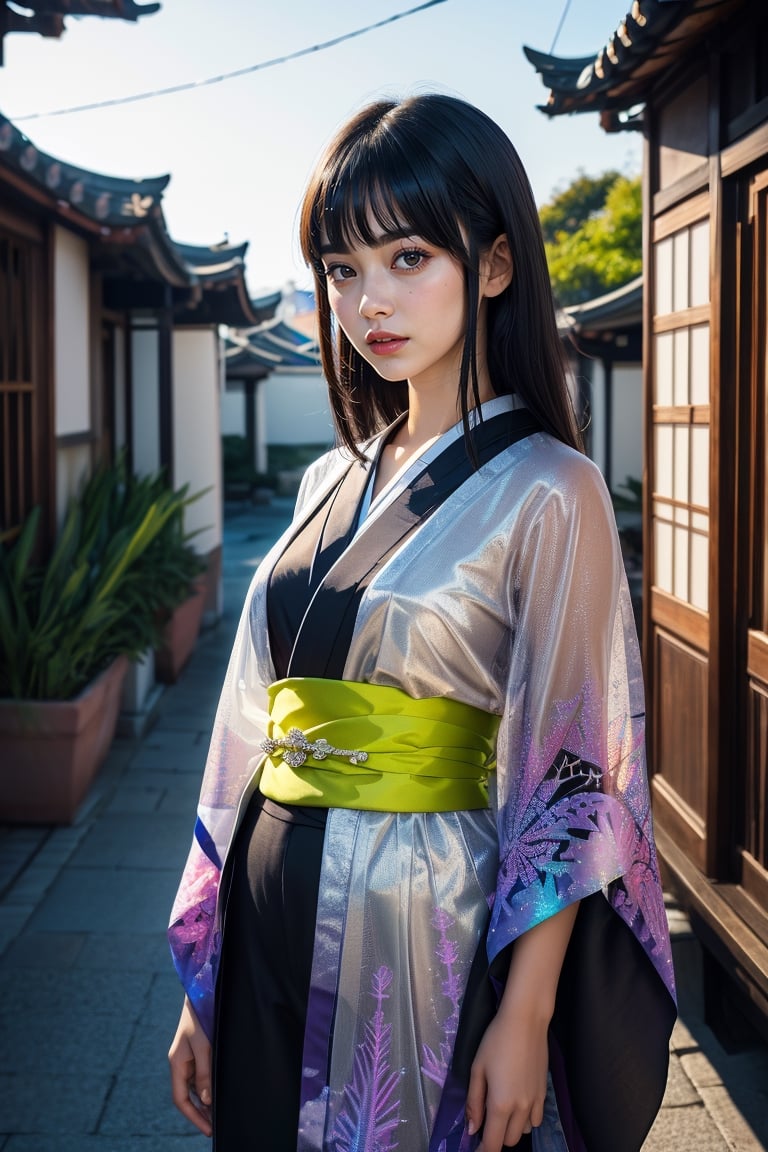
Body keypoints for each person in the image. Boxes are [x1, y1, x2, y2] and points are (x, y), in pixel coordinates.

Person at [168, 93, 676, 1152]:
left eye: (407, 258)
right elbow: (245, 733)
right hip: (266, 919)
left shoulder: (551, 487)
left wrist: (528, 1014)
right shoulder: (327, 474)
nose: (369, 302)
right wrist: (201, 975)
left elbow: (576, 775)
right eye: (342, 270)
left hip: (418, 928)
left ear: (494, 266)